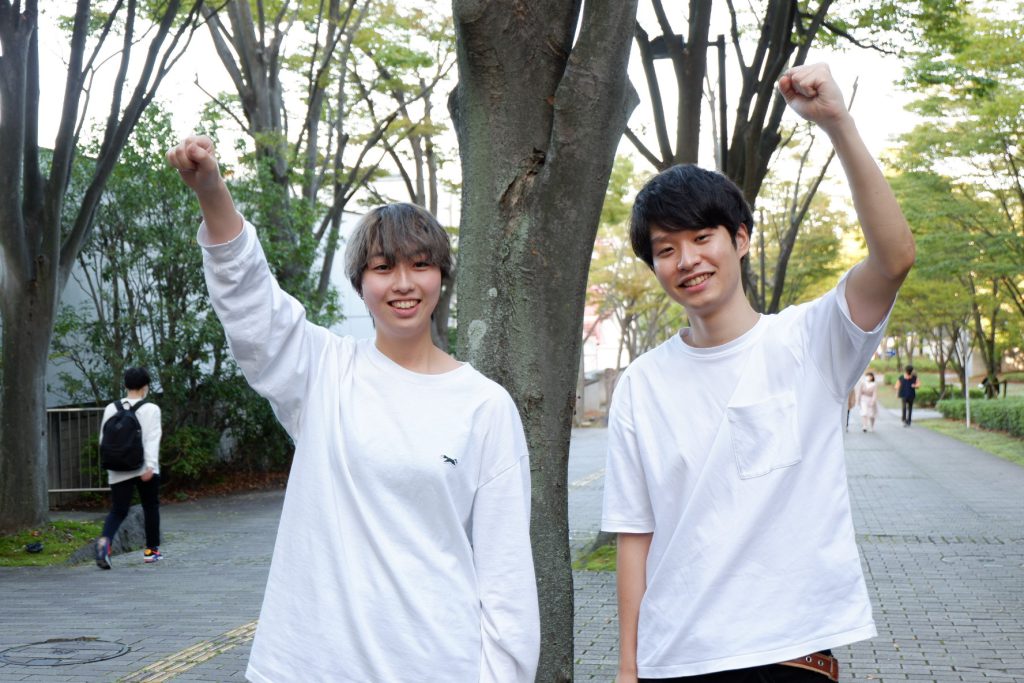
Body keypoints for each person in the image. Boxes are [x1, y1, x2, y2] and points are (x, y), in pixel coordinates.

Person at [166, 135, 540, 683]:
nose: (404, 283)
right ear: (361, 283)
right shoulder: (323, 371)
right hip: (308, 667)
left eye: (421, 265)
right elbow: (249, 300)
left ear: (441, 277)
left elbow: (507, 577)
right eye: (384, 267)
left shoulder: (485, 407)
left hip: (438, 664)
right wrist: (211, 191)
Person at [602, 63, 915, 683]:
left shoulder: (812, 341)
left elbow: (894, 258)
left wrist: (837, 123)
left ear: (740, 239)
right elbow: (634, 535)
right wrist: (627, 669)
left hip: (789, 653)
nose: (687, 260)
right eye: (666, 249)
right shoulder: (641, 383)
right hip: (674, 659)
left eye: (703, 237)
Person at [96, 367, 163, 568]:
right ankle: (151, 551)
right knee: (150, 507)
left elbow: (103, 439)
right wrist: (150, 465)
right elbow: (152, 439)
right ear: (145, 387)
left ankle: (104, 544)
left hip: (117, 466)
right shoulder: (151, 409)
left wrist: (110, 463)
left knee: (118, 510)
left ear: (125, 385)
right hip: (143, 467)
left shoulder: (111, 408)